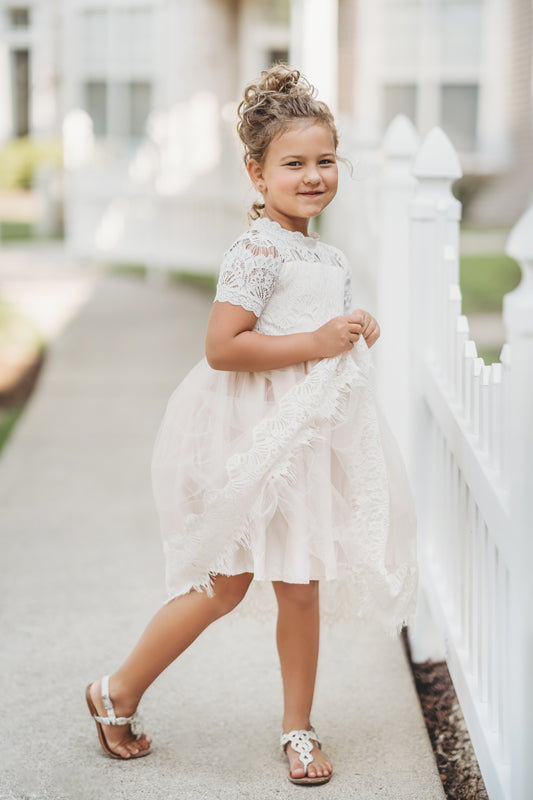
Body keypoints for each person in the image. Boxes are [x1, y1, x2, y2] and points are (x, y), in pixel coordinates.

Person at [86, 65, 417, 787]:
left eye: (324, 161)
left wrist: (354, 327)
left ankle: (298, 727)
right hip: (246, 439)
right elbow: (223, 346)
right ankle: (116, 690)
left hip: (302, 439)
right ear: (255, 173)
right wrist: (315, 342)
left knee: (300, 584)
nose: (312, 176)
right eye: (292, 164)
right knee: (223, 583)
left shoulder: (325, 255)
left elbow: (321, 332)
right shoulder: (257, 249)